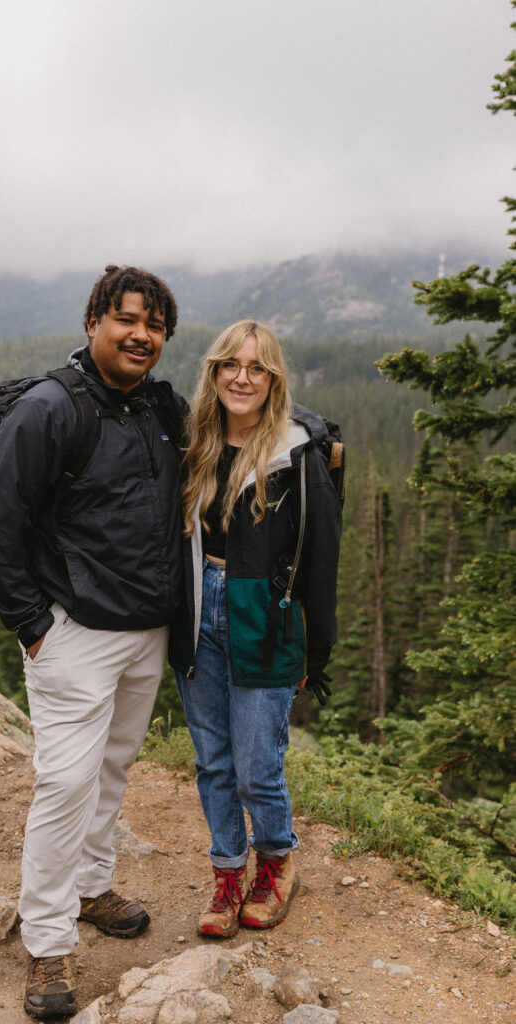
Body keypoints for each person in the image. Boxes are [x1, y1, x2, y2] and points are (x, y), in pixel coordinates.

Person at [0, 265, 185, 1020]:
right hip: (73, 634)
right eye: (126, 320)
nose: (141, 336)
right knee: (65, 784)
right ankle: (49, 944)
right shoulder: (49, 410)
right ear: (92, 321)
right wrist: (34, 628)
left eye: (155, 326)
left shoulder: (159, 408)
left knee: (114, 768)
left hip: (145, 632)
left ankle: (92, 886)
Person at [173, 319, 341, 939]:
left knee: (256, 764)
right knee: (213, 760)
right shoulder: (198, 444)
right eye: (230, 365)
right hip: (199, 612)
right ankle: (226, 873)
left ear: (274, 380)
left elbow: (322, 559)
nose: (242, 377)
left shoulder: (294, 456)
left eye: (257, 367)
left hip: (266, 619)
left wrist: (313, 653)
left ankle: (275, 861)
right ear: (214, 373)